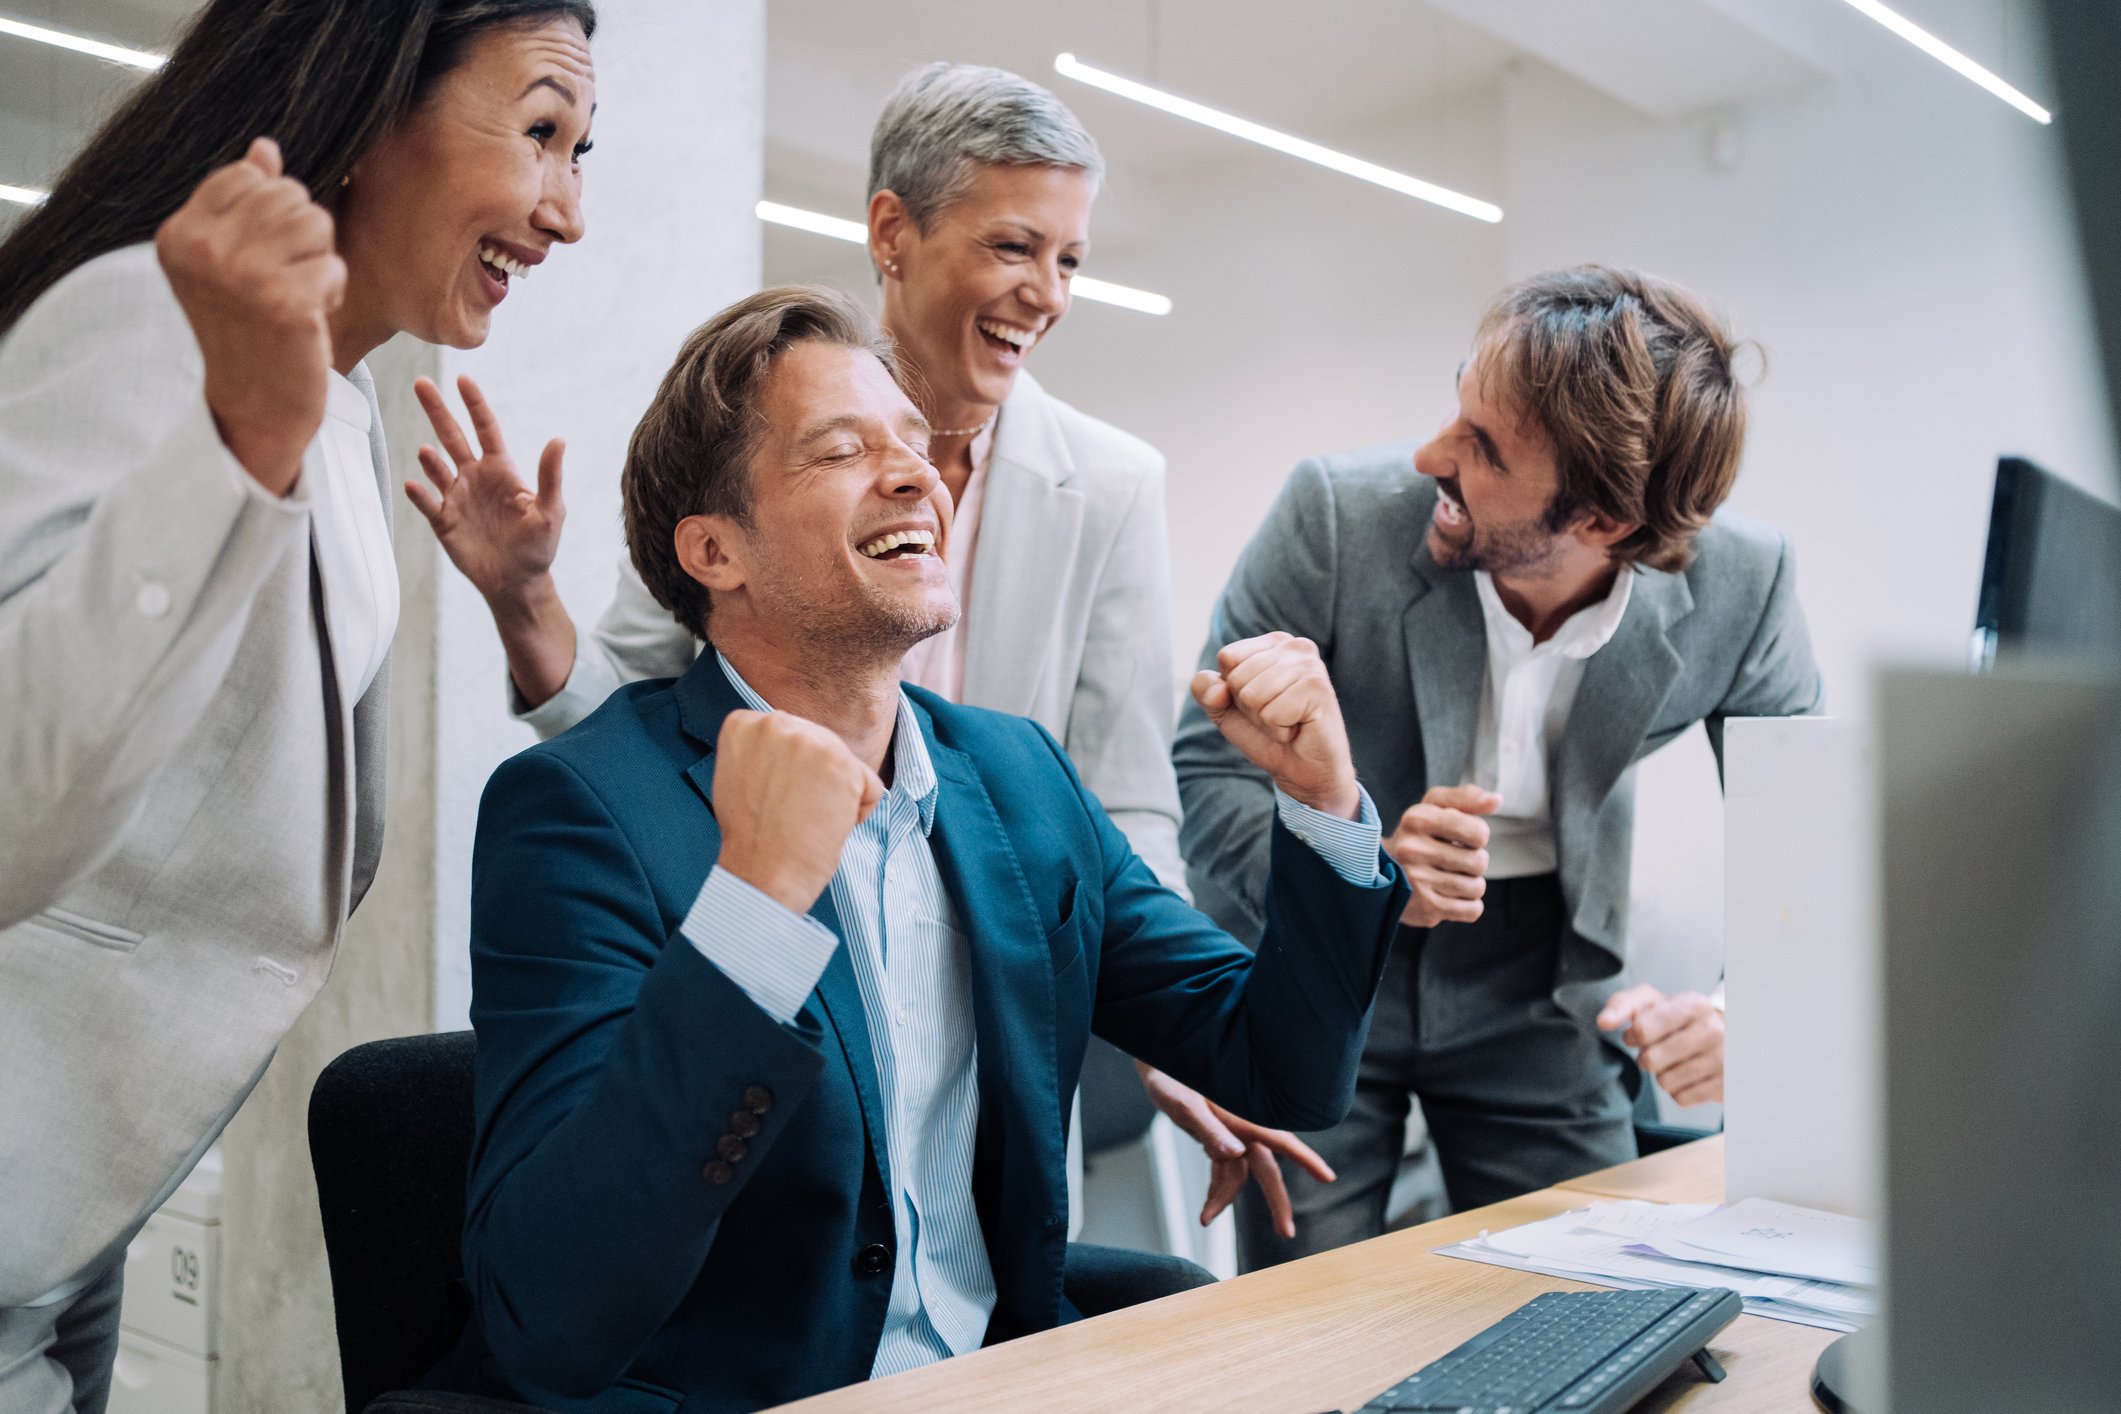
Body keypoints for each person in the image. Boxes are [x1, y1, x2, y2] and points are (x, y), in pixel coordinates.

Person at [428, 285, 1405, 1411]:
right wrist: (756, 900)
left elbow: (1279, 1063)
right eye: (844, 451)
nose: (918, 477)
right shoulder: (579, 808)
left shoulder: (1019, 775)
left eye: (917, 446)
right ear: (714, 549)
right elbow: (548, 1311)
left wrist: (1325, 802)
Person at [407, 59, 1324, 1234]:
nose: (1047, 291)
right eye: (1013, 246)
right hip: (781, 944)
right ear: (893, 232)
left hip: (986, 968)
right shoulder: (753, 428)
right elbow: (641, 740)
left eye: (1071, 259)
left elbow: (1127, 800)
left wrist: (1169, 1018)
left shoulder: (1109, 484)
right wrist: (525, 603)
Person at [0, 3, 595, 1408]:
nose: (568, 212)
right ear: (376, 99)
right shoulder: (141, 321)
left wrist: (522, 606)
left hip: (79, 1201)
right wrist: (236, 442)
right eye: (542, 135)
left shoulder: (349, 400)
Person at [1172, 267, 1823, 1271]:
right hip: (1328, 959)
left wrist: (1745, 1010)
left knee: (1596, 1294)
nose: (1432, 451)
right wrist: (1357, 876)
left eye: (1482, 448)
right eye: (1459, 402)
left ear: (1603, 521)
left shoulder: (1747, 584)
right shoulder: (1336, 516)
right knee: (1303, 1310)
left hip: (1545, 976)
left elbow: (1807, 833)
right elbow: (1207, 768)